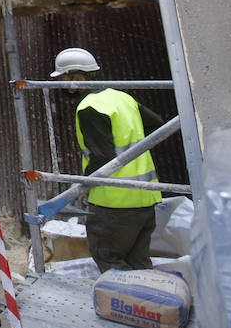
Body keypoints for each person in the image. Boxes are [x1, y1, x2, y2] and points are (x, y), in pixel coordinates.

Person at [53, 47, 165, 272]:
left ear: (77, 77)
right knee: (138, 262)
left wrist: (82, 188)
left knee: (110, 261)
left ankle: (125, 305)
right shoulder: (120, 97)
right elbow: (156, 122)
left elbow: (102, 158)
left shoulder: (89, 108)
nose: (62, 85)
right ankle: (145, 305)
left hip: (113, 202)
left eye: (64, 78)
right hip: (145, 196)